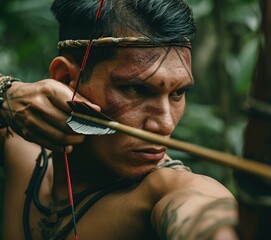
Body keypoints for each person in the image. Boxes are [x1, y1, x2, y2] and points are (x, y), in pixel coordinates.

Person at [0, 0, 239, 239]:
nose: (165, 124)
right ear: (64, 79)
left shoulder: (163, 192)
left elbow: (203, 213)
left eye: (178, 93)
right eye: (137, 89)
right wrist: (6, 93)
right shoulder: (20, 145)